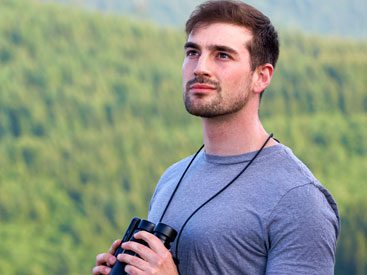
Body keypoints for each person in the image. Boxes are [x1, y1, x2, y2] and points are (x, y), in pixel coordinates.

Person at [92, 0, 340, 274]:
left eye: (222, 55)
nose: (200, 67)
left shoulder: (298, 199)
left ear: (261, 76)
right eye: (192, 52)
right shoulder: (173, 177)